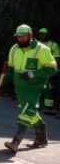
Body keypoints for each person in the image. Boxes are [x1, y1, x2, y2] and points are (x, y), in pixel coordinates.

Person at [4, 24, 58, 153]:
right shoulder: (14, 49)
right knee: (28, 110)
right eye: (19, 37)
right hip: (19, 87)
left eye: (24, 37)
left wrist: (33, 74)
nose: (21, 39)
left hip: (35, 86)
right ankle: (41, 138)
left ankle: (16, 141)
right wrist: (3, 84)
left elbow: (53, 69)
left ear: (30, 36)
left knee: (27, 109)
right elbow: (11, 69)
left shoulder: (41, 49)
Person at [36, 28, 60, 114]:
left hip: (48, 69)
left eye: (44, 34)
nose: (42, 36)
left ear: (48, 35)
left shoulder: (53, 45)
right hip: (37, 69)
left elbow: (56, 58)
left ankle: (48, 107)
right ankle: (37, 105)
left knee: (49, 87)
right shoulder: (36, 44)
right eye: (41, 34)